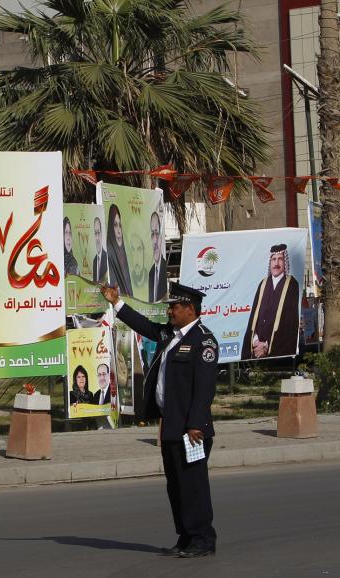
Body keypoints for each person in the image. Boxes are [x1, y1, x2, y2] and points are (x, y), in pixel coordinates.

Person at [100, 281, 218, 558]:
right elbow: (144, 326)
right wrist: (115, 301)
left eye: (174, 307)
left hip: (191, 429)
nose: (170, 311)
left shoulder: (204, 341)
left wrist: (195, 425)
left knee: (193, 485)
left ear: (190, 309)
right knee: (175, 485)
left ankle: (203, 538)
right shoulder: (170, 334)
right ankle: (186, 537)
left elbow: (205, 389)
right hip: (171, 424)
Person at [241, 244, 300, 360]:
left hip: (277, 349)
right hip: (256, 349)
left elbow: (289, 323)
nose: (276, 263)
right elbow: (254, 319)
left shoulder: (291, 284)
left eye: (280, 259)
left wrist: (266, 346)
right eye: (274, 259)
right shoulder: (263, 284)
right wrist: (256, 342)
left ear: (285, 262)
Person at [106, 205, 133, 297]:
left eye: (120, 225)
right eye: (115, 225)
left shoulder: (126, 254)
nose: (118, 231)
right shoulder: (108, 253)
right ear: (111, 228)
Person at [148, 210, 167, 302]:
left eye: (157, 233)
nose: (155, 240)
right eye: (152, 234)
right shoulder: (151, 272)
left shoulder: (164, 268)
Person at [92, 217, 108, 285]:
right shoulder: (94, 261)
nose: (97, 238)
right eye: (95, 233)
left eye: (98, 232)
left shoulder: (107, 258)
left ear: (102, 234)